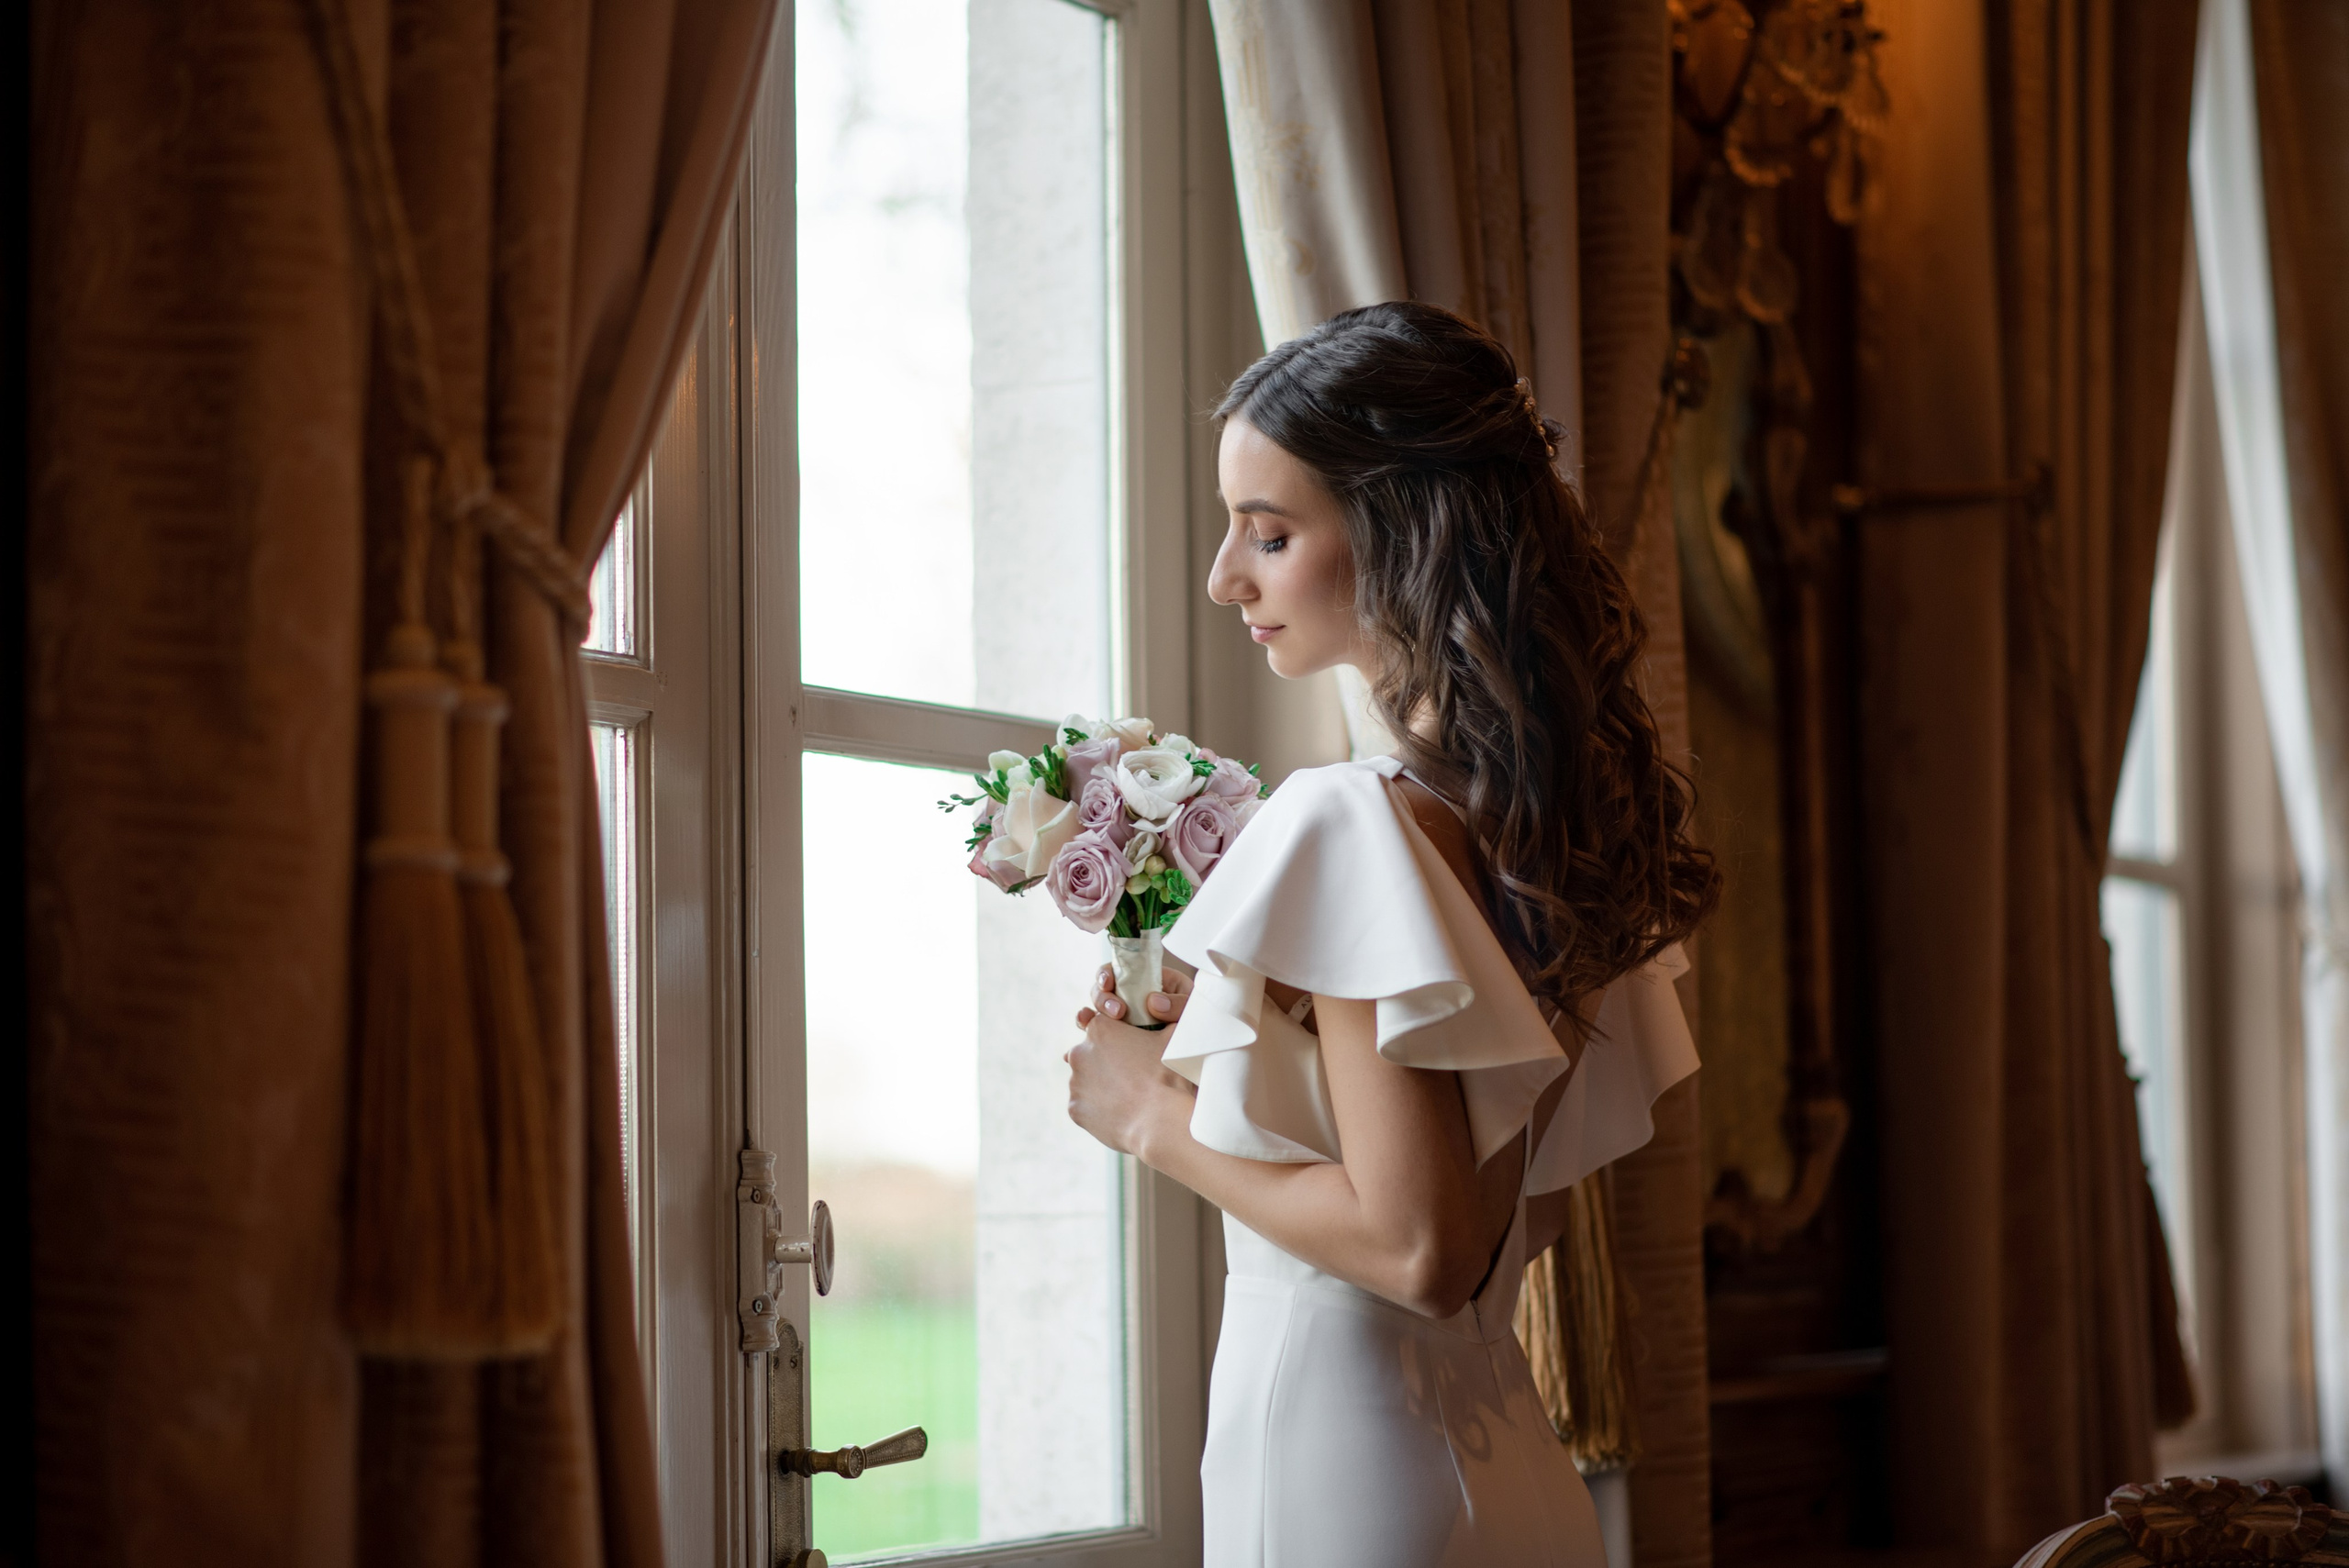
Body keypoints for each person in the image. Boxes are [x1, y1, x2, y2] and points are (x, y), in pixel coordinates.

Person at [1062, 301, 1720, 1566]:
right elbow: (1463, 1211)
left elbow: (1422, 1248)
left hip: (1350, 1466)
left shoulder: (1358, 822)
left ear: (1402, 533)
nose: (1224, 576)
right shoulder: (1523, 825)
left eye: (1271, 531)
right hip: (1500, 1461)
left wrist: (1150, 1113)